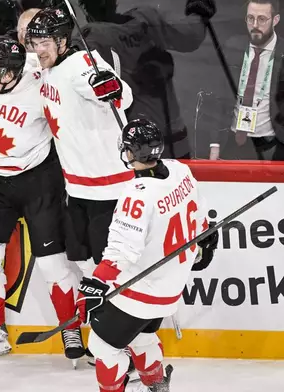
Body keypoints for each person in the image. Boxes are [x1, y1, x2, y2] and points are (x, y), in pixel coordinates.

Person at [0, 36, 83, 362]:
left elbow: (72, 122)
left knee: (53, 263)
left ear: (10, 74)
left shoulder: (41, 86)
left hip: (39, 180)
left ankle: (69, 327)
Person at [76, 118, 218, 392]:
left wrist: (95, 284)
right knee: (142, 337)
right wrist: (205, 244)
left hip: (139, 289)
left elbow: (121, 251)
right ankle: (155, 385)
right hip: (169, 287)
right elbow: (200, 220)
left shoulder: (136, 195)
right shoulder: (180, 171)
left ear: (130, 153)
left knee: (102, 346)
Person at [26, 7, 133, 363]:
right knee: (84, 262)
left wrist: (111, 87)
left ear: (61, 40)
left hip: (110, 191)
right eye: (34, 41)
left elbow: (120, 95)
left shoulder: (81, 67)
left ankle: (129, 349)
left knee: (110, 272)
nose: (38, 48)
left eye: (44, 41)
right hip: (78, 190)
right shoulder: (47, 67)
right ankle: (108, 335)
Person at [71, 0, 215, 160]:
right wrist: (199, 12)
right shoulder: (145, 19)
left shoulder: (90, 39)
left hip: (139, 150)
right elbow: (190, 35)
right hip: (170, 143)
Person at [209, 0, 284, 161]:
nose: (255, 25)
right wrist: (214, 144)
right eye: (250, 18)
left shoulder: (282, 53)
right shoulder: (233, 47)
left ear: (275, 20)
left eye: (262, 19)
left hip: (272, 143)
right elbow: (219, 97)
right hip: (234, 140)